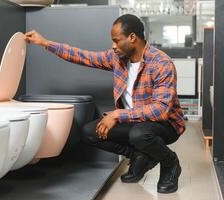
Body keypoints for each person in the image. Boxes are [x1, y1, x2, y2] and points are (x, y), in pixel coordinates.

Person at [25, 14, 185, 194]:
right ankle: (140, 156)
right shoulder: (117, 58)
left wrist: (118, 115)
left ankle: (170, 163)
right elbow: (83, 56)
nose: (113, 46)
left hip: (165, 125)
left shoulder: (161, 63)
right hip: (135, 123)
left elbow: (160, 110)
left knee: (140, 134)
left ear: (132, 38)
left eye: (116, 41)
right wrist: (45, 43)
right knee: (89, 132)